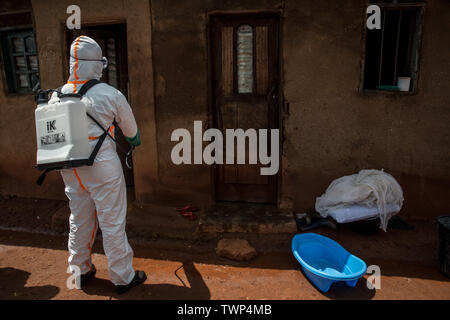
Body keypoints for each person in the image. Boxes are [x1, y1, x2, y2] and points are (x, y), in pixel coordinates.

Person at [51, 36, 146, 294]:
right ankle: (123, 277)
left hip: (70, 168)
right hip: (102, 167)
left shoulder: (55, 97)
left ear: (72, 64)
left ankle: (80, 271)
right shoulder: (109, 94)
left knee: (79, 219)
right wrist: (132, 140)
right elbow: (133, 133)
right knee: (112, 221)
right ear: (97, 64)